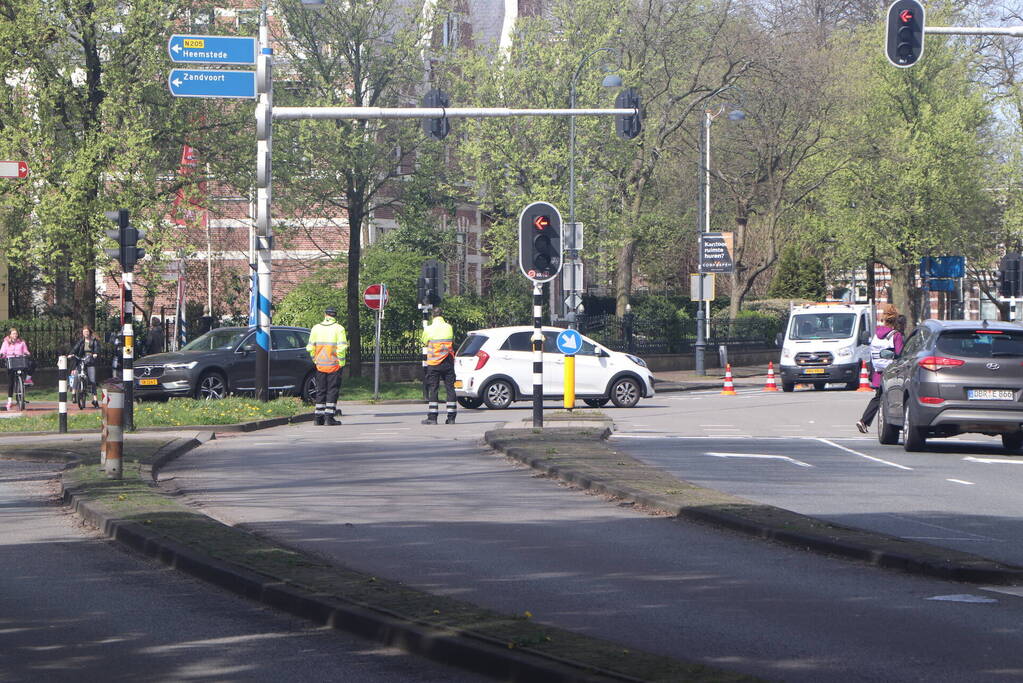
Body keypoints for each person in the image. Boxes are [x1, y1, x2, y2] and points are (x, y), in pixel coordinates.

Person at [856, 305, 905, 433]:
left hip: (878, 372)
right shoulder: (896, 336)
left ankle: (865, 421)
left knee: (879, 398)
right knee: (894, 399)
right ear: (896, 321)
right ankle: (890, 426)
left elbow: (872, 355)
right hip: (892, 373)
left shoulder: (876, 335)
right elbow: (901, 355)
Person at [306, 305, 347, 426]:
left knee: (320, 390)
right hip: (334, 365)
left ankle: (318, 417)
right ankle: (329, 417)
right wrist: (341, 362)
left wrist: (315, 359)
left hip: (320, 365)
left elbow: (310, 347)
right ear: (335, 316)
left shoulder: (316, 328)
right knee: (332, 391)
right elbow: (341, 348)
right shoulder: (339, 329)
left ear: (325, 315)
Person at [421, 306, 457, 425]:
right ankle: (451, 418)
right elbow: (452, 341)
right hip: (448, 362)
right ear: (442, 315)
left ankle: (432, 418)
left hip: (434, 364)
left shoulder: (429, 329)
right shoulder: (449, 327)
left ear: (432, 316)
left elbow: (424, 341)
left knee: (433, 389)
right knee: (450, 389)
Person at [0, 328, 32, 411]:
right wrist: (2, 354)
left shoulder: (21, 342)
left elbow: (25, 351)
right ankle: (9, 401)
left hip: (20, 361)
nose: (15, 335)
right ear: (10, 335)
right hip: (10, 361)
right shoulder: (6, 342)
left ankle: (27, 380)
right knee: (11, 382)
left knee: (32, 364)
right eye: (13, 334)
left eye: (16, 334)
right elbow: (2, 351)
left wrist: (27, 354)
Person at [71, 326, 101, 408]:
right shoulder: (81, 341)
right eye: (84, 332)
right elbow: (75, 348)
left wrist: (95, 354)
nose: (85, 333)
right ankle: (73, 393)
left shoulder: (94, 340)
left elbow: (97, 349)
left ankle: (95, 399)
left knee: (92, 380)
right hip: (82, 360)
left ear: (89, 332)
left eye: (87, 332)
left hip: (90, 361)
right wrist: (71, 354)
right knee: (76, 374)